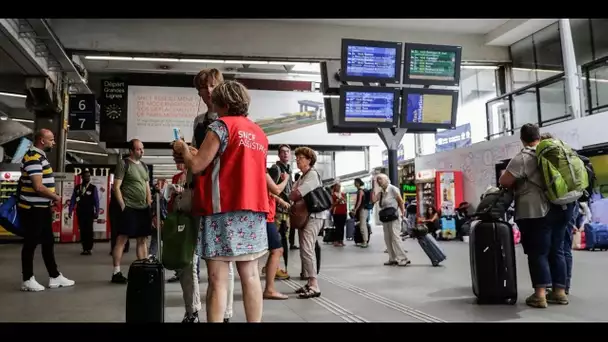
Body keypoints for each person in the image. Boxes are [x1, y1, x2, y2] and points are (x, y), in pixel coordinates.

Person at [173, 80, 269, 323]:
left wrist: (184, 149)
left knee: (217, 278)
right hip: (253, 211)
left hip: (222, 210)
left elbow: (197, 165)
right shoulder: (258, 132)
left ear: (223, 104)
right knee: (250, 276)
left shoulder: (220, 126)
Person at [499, 124, 576, 308]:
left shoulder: (524, 157)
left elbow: (505, 181)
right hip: (562, 207)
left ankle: (540, 295)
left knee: (537, 252)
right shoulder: (555, 151)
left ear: (522, 139)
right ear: (538, 136)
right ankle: (559, 292)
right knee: (557, 250)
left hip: (536, 211)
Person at [18, 129, 74, 291]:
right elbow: (38, 186)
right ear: (42, 140)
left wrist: (51, 197)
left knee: (48, 242)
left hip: (41, 208)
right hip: (32, 209)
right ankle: (27, 279)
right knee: (30, 243)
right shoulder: (33, 158)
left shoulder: (40, 157)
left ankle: (54, 276)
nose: (54, 142)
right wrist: (55, 197)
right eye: (51, 139)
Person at [110, 139, 153, 284]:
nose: (142, 151)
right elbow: (116, 186)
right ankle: (116, 272)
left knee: (142, 239)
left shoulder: (144, 166)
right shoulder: (124, 164)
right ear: (131, 151)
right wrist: (122, 205)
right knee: (122, 239)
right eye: (139, 149)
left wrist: (149, 203)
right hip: (129, 208)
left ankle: (144, 270)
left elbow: (147, 186)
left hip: (142, 209)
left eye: (143, 149)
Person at [290, 146, 329, 299]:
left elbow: (296, 194)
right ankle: (308, 281)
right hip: (306, 216)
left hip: (315, 216)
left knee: (307, 248)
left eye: (301, 158)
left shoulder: (312, 175)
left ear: (309, 160)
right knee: (304, 248)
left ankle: (314, 285)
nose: (297, 160)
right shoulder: (302, 176)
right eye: (297, 158)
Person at [268, 144, 296, 279]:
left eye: (287, 152)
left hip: (286, 212)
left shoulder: (289, 169)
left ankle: (271, 266)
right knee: (277, 241)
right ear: (279, 155)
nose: (285, 154)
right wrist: (281, 201)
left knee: (283, 239)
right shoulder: (276, 169)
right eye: (283, 152)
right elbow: (269, 190)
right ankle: (275, 268)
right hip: (277, 211)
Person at [263, 170, 290, 300]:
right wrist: (286, 179)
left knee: (276, 251)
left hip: (268, 218)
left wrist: (280, 201)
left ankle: (269, 286)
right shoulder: (261, 170)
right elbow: (276, 190)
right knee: (277, 250)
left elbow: (271, 192)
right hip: (266, 218)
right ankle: (269, 289)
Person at [373, 174, 410, 267]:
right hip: (386, 217)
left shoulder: (393, 189)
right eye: (377, 180)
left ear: (386, 179)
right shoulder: (381, 192)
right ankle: (392, 258)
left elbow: (400, 201)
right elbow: (373, 200)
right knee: (387, 238)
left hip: (394, 216)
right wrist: (375, 187)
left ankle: (403, 258)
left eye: (380, 179)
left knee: (395, 237)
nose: (379, 181)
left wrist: (402, 213)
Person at [68, 169, 100, 255]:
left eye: (89, 176)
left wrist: (97, 211)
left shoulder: (93, 188)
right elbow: (73, 200)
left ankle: (89, 248)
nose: (87, 177)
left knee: (89, 230)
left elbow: (96, 200)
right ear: (82, 177)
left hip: (89, 212)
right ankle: (84, 248)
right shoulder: (77, 188)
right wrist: (70, 210)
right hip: (80, 212)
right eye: (86, 176)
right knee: (82, 230)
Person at [351, 178, 370, 248]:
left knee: (362, 226)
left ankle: (365, 241)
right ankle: (365, 240)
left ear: (358, 183)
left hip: (362, 210)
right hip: (365, 210)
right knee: (363, 225)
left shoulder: (360, 191)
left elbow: (359, 201)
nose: (354, 184)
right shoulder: (363, 190)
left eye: (355, 182)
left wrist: (355, 209)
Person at [330, 182, 347, 247]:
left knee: (342, 227)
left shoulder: (342, 194)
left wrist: (344, 199)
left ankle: (341, 240)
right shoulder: (333, 195)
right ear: (335, 187)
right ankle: (336, 240)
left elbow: (345, 202)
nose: (338, 187)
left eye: (339, 186)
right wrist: (337, 201)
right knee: (337, 227)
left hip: (343, 212)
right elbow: (332, 204)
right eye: (337, 186)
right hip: (336, 212)